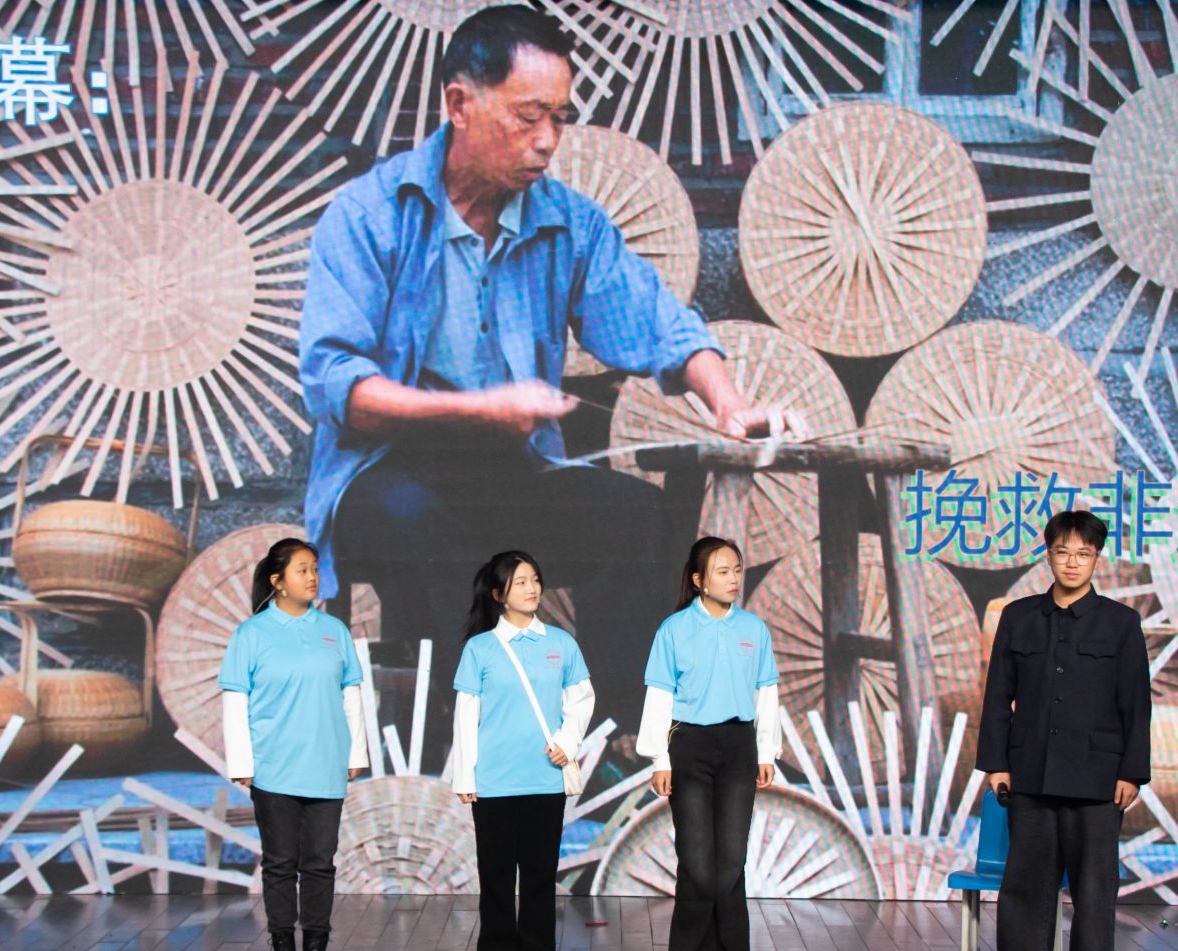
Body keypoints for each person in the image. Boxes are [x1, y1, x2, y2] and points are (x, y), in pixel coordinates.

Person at [298, 5, 806, 735]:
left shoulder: (568, 221)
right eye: (527, 116)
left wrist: (727, 403)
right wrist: (479, 409)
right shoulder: (370, 214)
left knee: (636, 518)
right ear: (459, 104)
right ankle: (489, 736)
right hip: (381, 476)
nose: (546, 141)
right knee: (418, 525)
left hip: (509, 469)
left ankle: (614, 738)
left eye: (560, 119)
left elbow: (658, 322)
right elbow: (338, 387)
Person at [973, 510, 1150, 951]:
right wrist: (996, 763)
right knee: (1024, 888)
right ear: (1048, 555)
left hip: (1098, 780)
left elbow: (1136, 704)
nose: (1072, 563)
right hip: (1030, 773)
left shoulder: (1120, 622)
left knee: (1094, 891)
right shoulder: (1019, 616)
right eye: (1063, 552)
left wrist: (1131, 772)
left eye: (1083, 554)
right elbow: (998, 694)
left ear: (1097, 558)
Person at [219, 536, 369, 951]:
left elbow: (351, 695)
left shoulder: (334, 631)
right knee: (281, 863)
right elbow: (235, 702)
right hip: (274, 766)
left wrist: (356, 754)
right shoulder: (251, 634)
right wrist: (242, 762)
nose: (313, 577)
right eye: (302, 569)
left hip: (326, 763)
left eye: (315, 569)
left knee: (320, 864)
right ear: (277, 581)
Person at [635, 536, 780, 951]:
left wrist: (765, 752)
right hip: (689, 746)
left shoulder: (754, 629)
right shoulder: (674, 629)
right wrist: (659, 758)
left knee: (731, 860)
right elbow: (659, 694)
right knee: (697, 861)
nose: (733, 579)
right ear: (699, 580)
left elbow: (766, 693)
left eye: (737, 569)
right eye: (722, 571)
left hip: (739, 745)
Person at [448, 550, 594, 951]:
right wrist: (464, 776)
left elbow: (582, 699)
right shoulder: (480, 649)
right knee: (495, 873)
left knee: (539, 873)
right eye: (520, 582)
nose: (532, 589)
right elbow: (466, 716)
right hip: (493, 780)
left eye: (534, 579)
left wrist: (567, 743)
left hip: (544, 778)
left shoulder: (561, 644)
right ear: (498, 594)